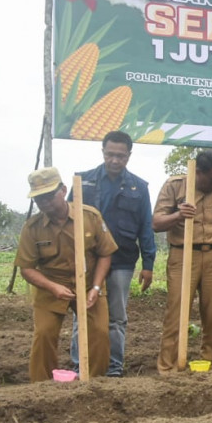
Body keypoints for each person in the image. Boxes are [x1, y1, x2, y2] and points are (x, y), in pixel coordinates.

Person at [15, 167, 117, 382]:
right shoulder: (32, 227)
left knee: (99, 333)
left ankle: (96, 382)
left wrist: (97, 287)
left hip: (89, 283)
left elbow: (105, 254)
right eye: (38, 199)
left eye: (48, 196)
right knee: (44, 334)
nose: (44, 203)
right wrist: (53, 288)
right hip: (51, 285)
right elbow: (26, 268)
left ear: (62, 190)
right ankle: (42, 386)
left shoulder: (89, 217)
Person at [69, 131, 156, 377]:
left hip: (122, 261)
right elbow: (66, 221)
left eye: (120, 156)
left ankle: (114, 368)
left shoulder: (139, 187)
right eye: (110, 154)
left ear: (129, 156)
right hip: (88, 261)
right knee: (82, 313)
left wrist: (148, 263)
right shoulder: (82, 181)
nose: (115, 160)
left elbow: (145, 227)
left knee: (117, 317)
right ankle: (80, 365)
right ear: (103, 152)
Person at [154, 150, 212, 370]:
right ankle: (169, 367)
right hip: (182, 256)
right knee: (176, 313)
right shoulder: (175, 186)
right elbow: (156, 223)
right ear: (199, 173)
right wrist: (178, 215)